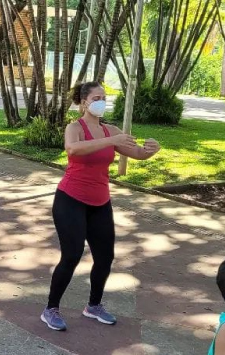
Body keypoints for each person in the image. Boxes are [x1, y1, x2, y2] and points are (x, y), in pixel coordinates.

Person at [40, 82, 160, 331]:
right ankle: (51, 308)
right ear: (84, 102)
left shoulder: (111, 131)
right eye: (97, 97)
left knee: (105, 258)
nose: (102, 101)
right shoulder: (75, 128)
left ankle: (93, 306)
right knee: (72, 255)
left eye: (105, 97)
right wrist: (112, 140)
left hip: (100, 201)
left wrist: (149, 151)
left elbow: (136, 152)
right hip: (70, 199)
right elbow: (73, 148)